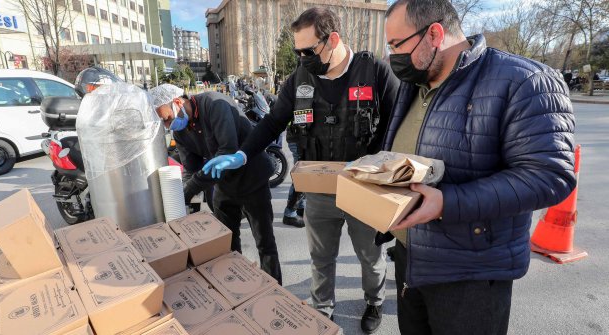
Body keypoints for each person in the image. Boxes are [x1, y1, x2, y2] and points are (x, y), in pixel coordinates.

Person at [380, 1, 576, 334]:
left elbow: (549, 175)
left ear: (434, 34)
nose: (391, 56)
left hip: (471, 275)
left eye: (396, 45)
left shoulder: (525, 80)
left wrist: (447, 202)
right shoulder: (415, 84)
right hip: (411, 258)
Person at [203, 7, 400, 333]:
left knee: (370, 257)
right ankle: (323, 310)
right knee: (321, 259)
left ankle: (374, 302)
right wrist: (242, 154)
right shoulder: (299, 79)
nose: (302, 57)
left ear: (332, 39)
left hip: (366, 187)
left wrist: (382, 171)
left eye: (308, 51)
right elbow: (271, 122)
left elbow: (396, 126)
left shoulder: (375, 72)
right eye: (297, 51)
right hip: (320, 188)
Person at [149, 84, 283, 285]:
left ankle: (275, 290)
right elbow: (191, 169)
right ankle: (238, 287)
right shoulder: (180, 133)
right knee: (227, 242)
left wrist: (188, 190)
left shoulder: (214, 104)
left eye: (166, 119)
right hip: (223, 185)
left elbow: (226, 151)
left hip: (252, 179)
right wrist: (180, 199)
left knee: (265, 243)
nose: (167, 126)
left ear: (177, 103)